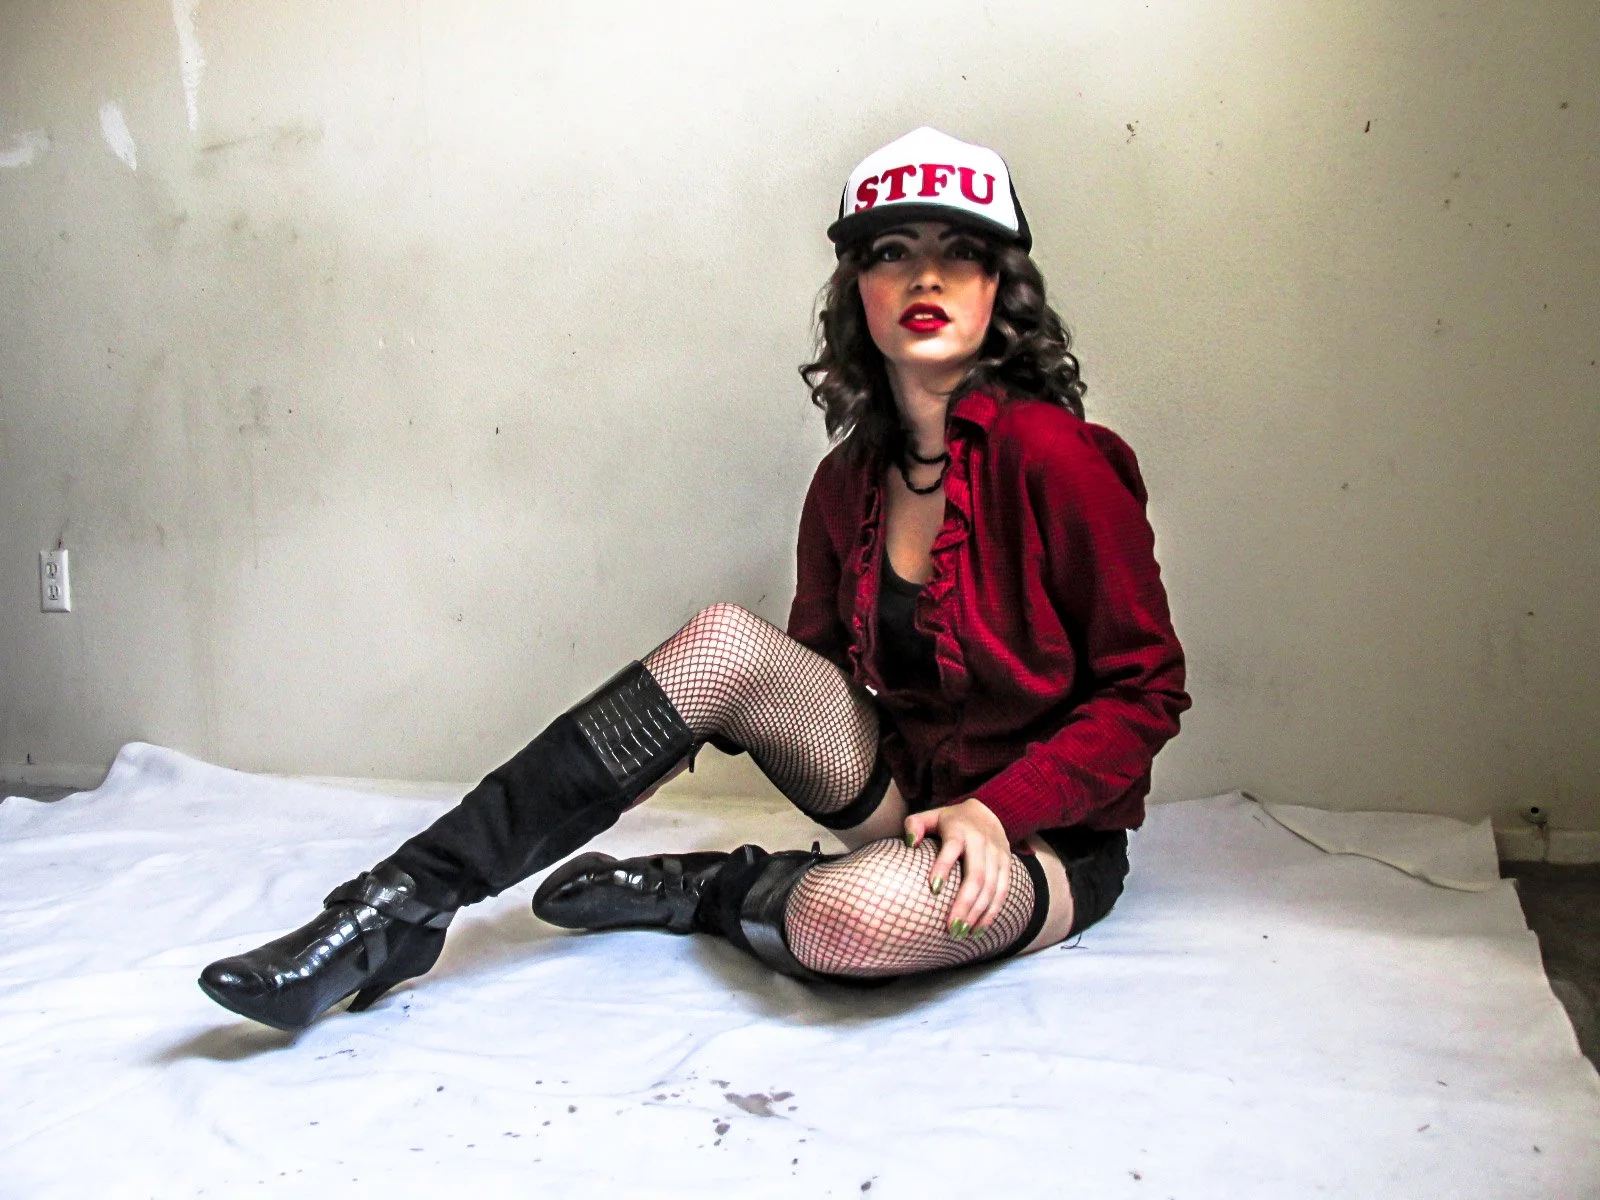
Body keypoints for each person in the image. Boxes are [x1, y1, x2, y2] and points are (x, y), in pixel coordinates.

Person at [199, 127, 1190, 1032]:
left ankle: (714, 890)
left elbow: (1145, 691)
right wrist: (695, 716)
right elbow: (806, 680)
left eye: (956, 251)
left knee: (852, 923)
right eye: (891, 252)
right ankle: (396, 906)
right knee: (722, 638)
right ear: (858, 289)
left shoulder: (1061, 459)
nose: (923, 276)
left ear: (997, 287)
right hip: (906, 792)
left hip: (1033, 840)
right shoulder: (848, 481)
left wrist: (996, 812)